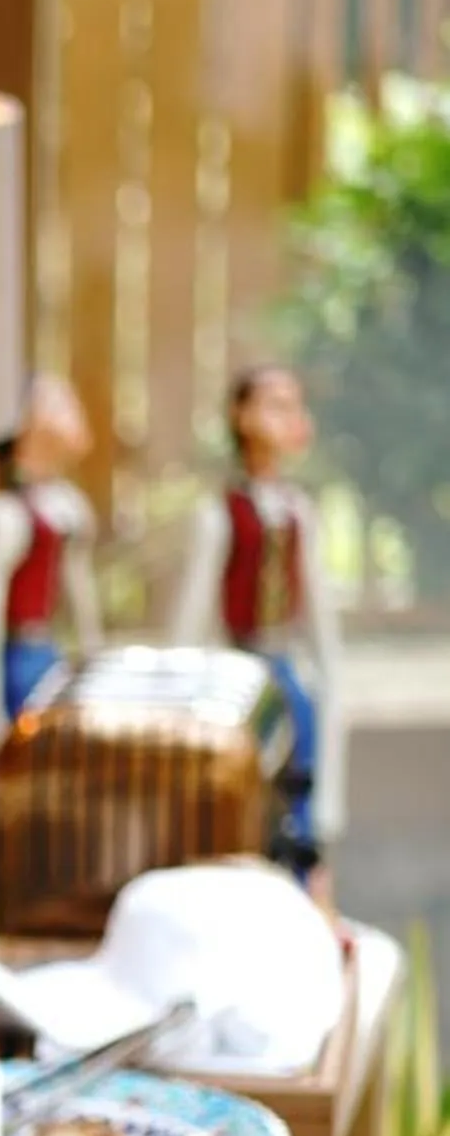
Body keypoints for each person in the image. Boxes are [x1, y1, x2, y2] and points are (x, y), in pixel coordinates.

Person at [168, 363, 345, 860]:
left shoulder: (298, 514)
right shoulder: (219, 515)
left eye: (294, 404)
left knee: (298, 817)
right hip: (237, 682)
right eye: (275, 404)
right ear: (241, 416)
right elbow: (187, 627)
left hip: (287, 677)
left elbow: (325, 634)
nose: (289, 417)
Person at [0, 373, 103, 759]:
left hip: (51, 661)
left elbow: (81, 604)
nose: (72, 410)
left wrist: (92, 669)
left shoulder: (67, 507)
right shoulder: (2, 514)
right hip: (17, 665)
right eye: (57, 402)